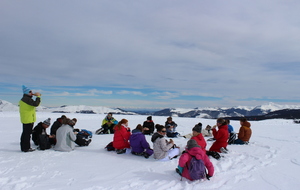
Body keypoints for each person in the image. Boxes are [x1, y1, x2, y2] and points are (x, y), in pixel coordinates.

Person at [19, 85, 41, 152]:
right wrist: (38, 97)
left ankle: (24, 147)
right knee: (27, 135)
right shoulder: (26, 99)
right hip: (28, 119)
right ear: (27, 92)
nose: (32, 93)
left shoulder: (25, 99)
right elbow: (36, 104)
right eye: (30, 92)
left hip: (27, 119)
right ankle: (26, 148)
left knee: (25, 134)